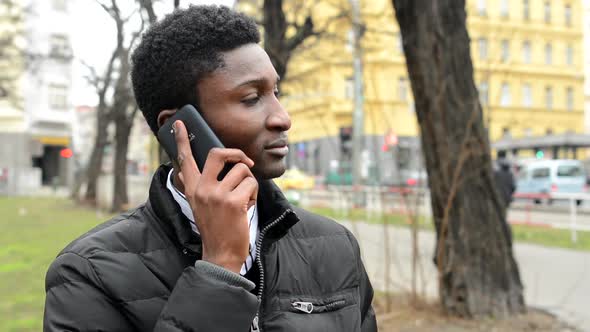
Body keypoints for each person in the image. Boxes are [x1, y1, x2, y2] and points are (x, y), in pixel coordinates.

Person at [43, 5, 376, 332]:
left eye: (275, 92)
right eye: (251, 98)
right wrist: (219, 270)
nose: (282, 117)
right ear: (181, 129)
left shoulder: (335, 246)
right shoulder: (88, 274)